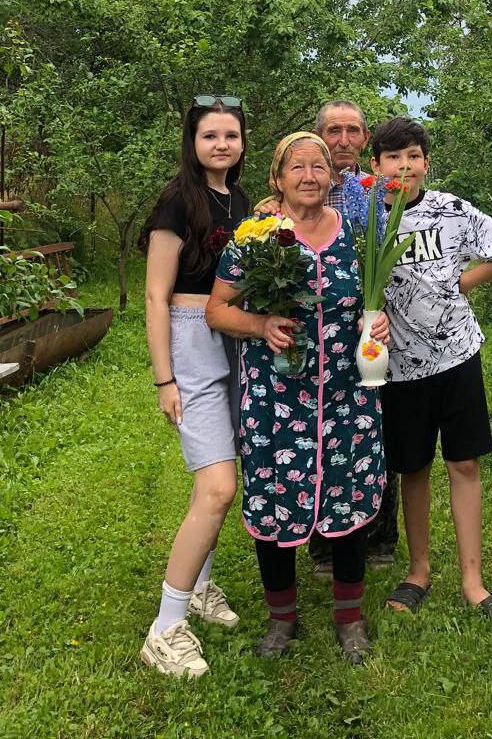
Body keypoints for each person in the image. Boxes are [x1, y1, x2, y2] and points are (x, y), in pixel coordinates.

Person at [206, 131, 390, 664]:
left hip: (347, 395)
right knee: (274, 498)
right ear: (278, 178)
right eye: (297, 167)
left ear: (333, 177)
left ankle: (349, 618)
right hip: (276, 397)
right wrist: (260, 324)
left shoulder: (356, 237)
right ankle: (281, 619)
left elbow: (374, 301)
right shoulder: (256, 238)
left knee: (347, 494)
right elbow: (217, 309)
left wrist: (377, 322)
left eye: (319, 167)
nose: (309, 176)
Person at [370, 116, 492, 625]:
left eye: (414, 156)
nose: (405, 166)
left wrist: (466, 282)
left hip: (458, 356)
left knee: (464, 464)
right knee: (413, 469)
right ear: (376, 165)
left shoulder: (451, 209)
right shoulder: (366, 219)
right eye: (394, 157)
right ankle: (418, 572)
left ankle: (473, 582)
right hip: (399, 368)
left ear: (426, 163)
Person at [137, 96, 251, 678]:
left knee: (220, 476)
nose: (221, 145)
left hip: (234, 337)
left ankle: (200, 588)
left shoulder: (242, 201)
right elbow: (156, 295)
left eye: (231, 135)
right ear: (193, 142)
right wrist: (166, 377)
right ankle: (165, 628)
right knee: (218, 487)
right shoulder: (177, 202)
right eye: (210, 136)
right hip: (190, 338)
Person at [309, 98, 400, 572]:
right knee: (319, 431)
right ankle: (323, 540)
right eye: (334, 130)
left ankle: (380, 537)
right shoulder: (305, 186)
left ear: (365, 139)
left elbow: (390, 258)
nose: (343, 140)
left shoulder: (377, 189)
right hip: (316, 333)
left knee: (375, 429)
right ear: (320, 135)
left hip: (369, 327)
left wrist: (380, 310)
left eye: (352, 131)